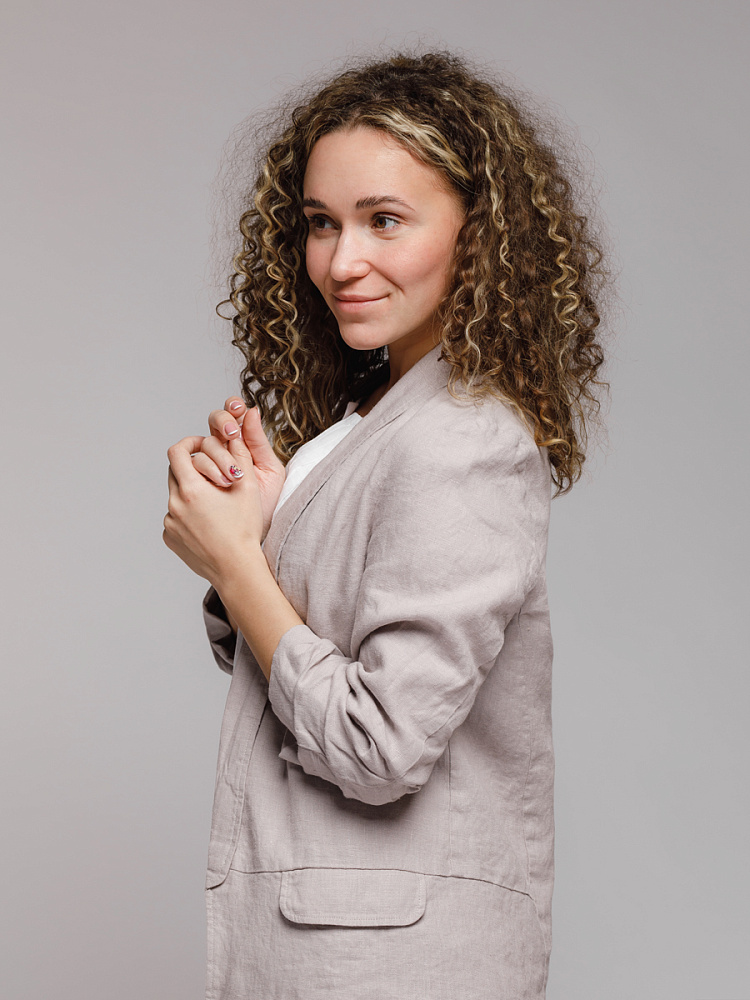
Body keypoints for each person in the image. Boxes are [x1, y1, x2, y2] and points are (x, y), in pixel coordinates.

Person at [163, 51, 606, 1000]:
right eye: (321, 222)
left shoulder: (462, 437)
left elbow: (379, 745)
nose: (341, 262)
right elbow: (296, 661)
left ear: (479, 235)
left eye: (385, 220)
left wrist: (236, 563)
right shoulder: (382, 417)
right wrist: (268, 521)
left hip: (391, 966)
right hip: (337, 952)